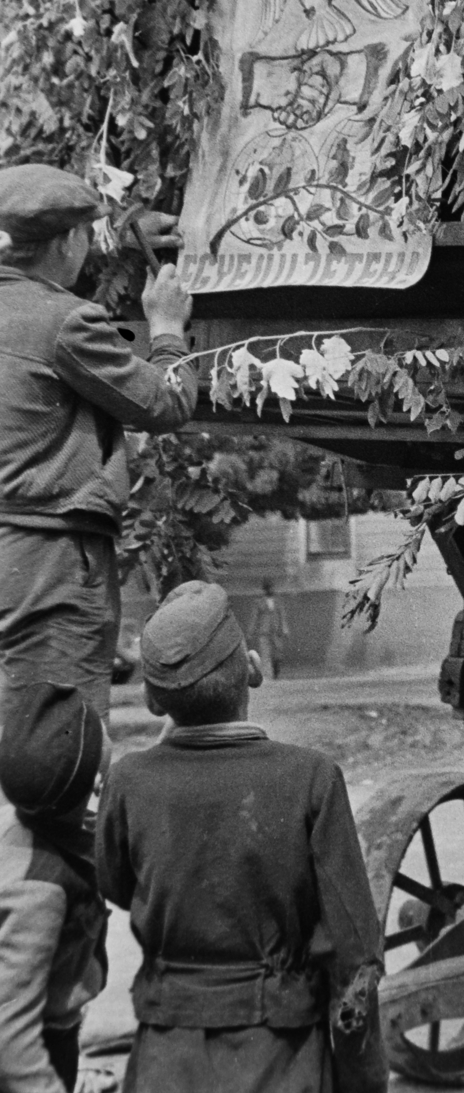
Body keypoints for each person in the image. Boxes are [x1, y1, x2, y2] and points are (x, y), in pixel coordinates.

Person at [96, 581, 388, 1093]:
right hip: (281, 1054)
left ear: (152, 701)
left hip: (167, 1053)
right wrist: (363, 1083)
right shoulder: (311, 779)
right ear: (251, 669)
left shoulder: (128, 782)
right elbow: (353, 950)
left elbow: (118, 886)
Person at [0, 164, 196, 720]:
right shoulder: (67, 323)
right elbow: (166, 403)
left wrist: (117, 235)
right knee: (65, 721)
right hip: (52, 553)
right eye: (85, 234)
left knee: (13, 714)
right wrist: (166, 329)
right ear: (66, 241)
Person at [0, 683, 110, 1093]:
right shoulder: (41, 892)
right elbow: (9, 1035)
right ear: (96, 784)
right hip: (42, 1044)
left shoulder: (22, 818)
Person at [250, 578, 290, 680]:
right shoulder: (259, 602)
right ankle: (268, 676)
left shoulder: (278, 601)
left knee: (277, 654)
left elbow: (282, 615)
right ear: (265, 589)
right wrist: (251, 631)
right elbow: (255, 617)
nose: (270, 590)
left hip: (276, 631)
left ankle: (276, 674)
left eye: (271, 588)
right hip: (264, 631)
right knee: (265, 654)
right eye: (268, 588)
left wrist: (284, 629)